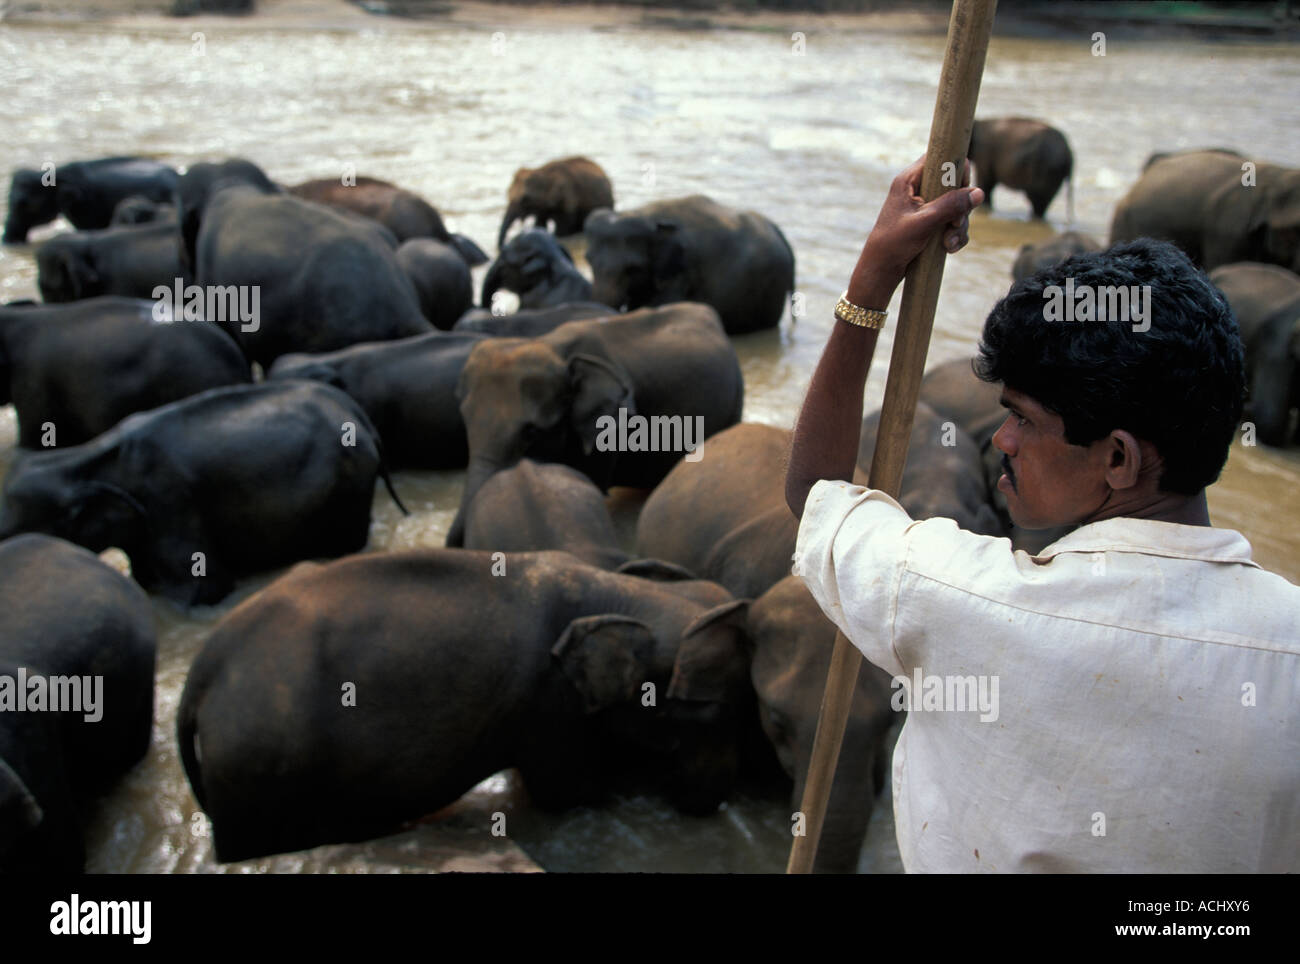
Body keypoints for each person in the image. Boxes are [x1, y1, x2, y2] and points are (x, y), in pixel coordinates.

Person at [786, 155, 1300, 873]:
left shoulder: (956, 596)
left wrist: (871, 279)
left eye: (1025, 420)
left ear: (1118, 460)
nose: (1001, 441)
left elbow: (816, 494)